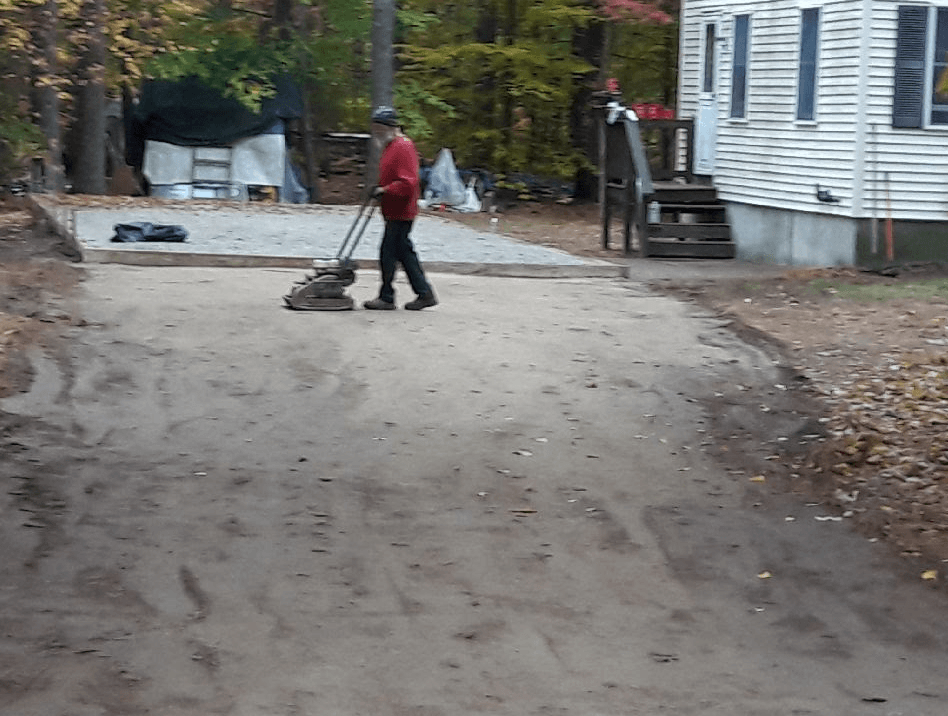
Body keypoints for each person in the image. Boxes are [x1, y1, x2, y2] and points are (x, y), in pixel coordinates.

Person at [363, 106, 438, 311]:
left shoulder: (403, 146)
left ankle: (387, 297)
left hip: (402, 211)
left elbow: (408, 183)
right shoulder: (390, 145)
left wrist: (385, 190)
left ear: (389, 126)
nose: (376, 132)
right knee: (404, 253)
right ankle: (424, 293)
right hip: (393, 210)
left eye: (379, 128)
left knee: (388, 253)